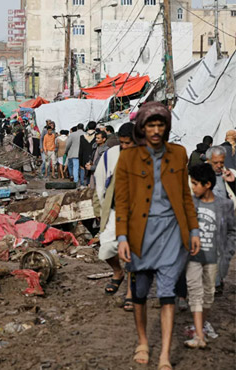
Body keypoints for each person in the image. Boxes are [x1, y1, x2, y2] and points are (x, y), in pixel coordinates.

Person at [115, 102, 200, 369]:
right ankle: (142, 340)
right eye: (150, 125)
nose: (155, 130)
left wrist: (194, 229)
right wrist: (121, 238)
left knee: (167, 294)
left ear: (166, 127)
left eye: (160, 125)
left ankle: (164, 353)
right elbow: (122, 200)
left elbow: (186, 197)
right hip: (140, 235)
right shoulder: (127, 158)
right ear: (142, 127)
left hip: (172, 234)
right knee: (139, 292)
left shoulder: (179, 154)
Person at [185, 163, 236, 349]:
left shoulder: (224, 205)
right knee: (196, 293)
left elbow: (232, 231)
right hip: (193, 258)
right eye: (191, 183)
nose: (192, 187)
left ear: (207, 184)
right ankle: (199, 335)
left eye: (195, 183)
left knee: (208, 295)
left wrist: (228, 253)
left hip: (214, 258)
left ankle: (200, 326)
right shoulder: (190, 202)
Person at [94, 122, 136, 312]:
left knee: (133, 255)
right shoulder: (109, 156)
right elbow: (100, 184)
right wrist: (101, 210)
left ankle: (130, 293)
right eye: (124, 143)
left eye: (130, 143)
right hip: (113, 211)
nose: (126, 147)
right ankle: (117, 272)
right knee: (105, 250)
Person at [204, 145, 236, 294]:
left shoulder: (229, 174)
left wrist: (232, 182)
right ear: (208, 160)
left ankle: (216, 282)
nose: (219, 166)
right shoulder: (200, 174)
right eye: (215, 163)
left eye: (221, 162)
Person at [78, 121, 97, 187]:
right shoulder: (97, 136)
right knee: (92, 173)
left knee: (84, 172)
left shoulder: (82, 137)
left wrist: (80, 162)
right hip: (94, 158)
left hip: (84, 158)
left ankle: (83, 185)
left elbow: (80, 151)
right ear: (95, 127)